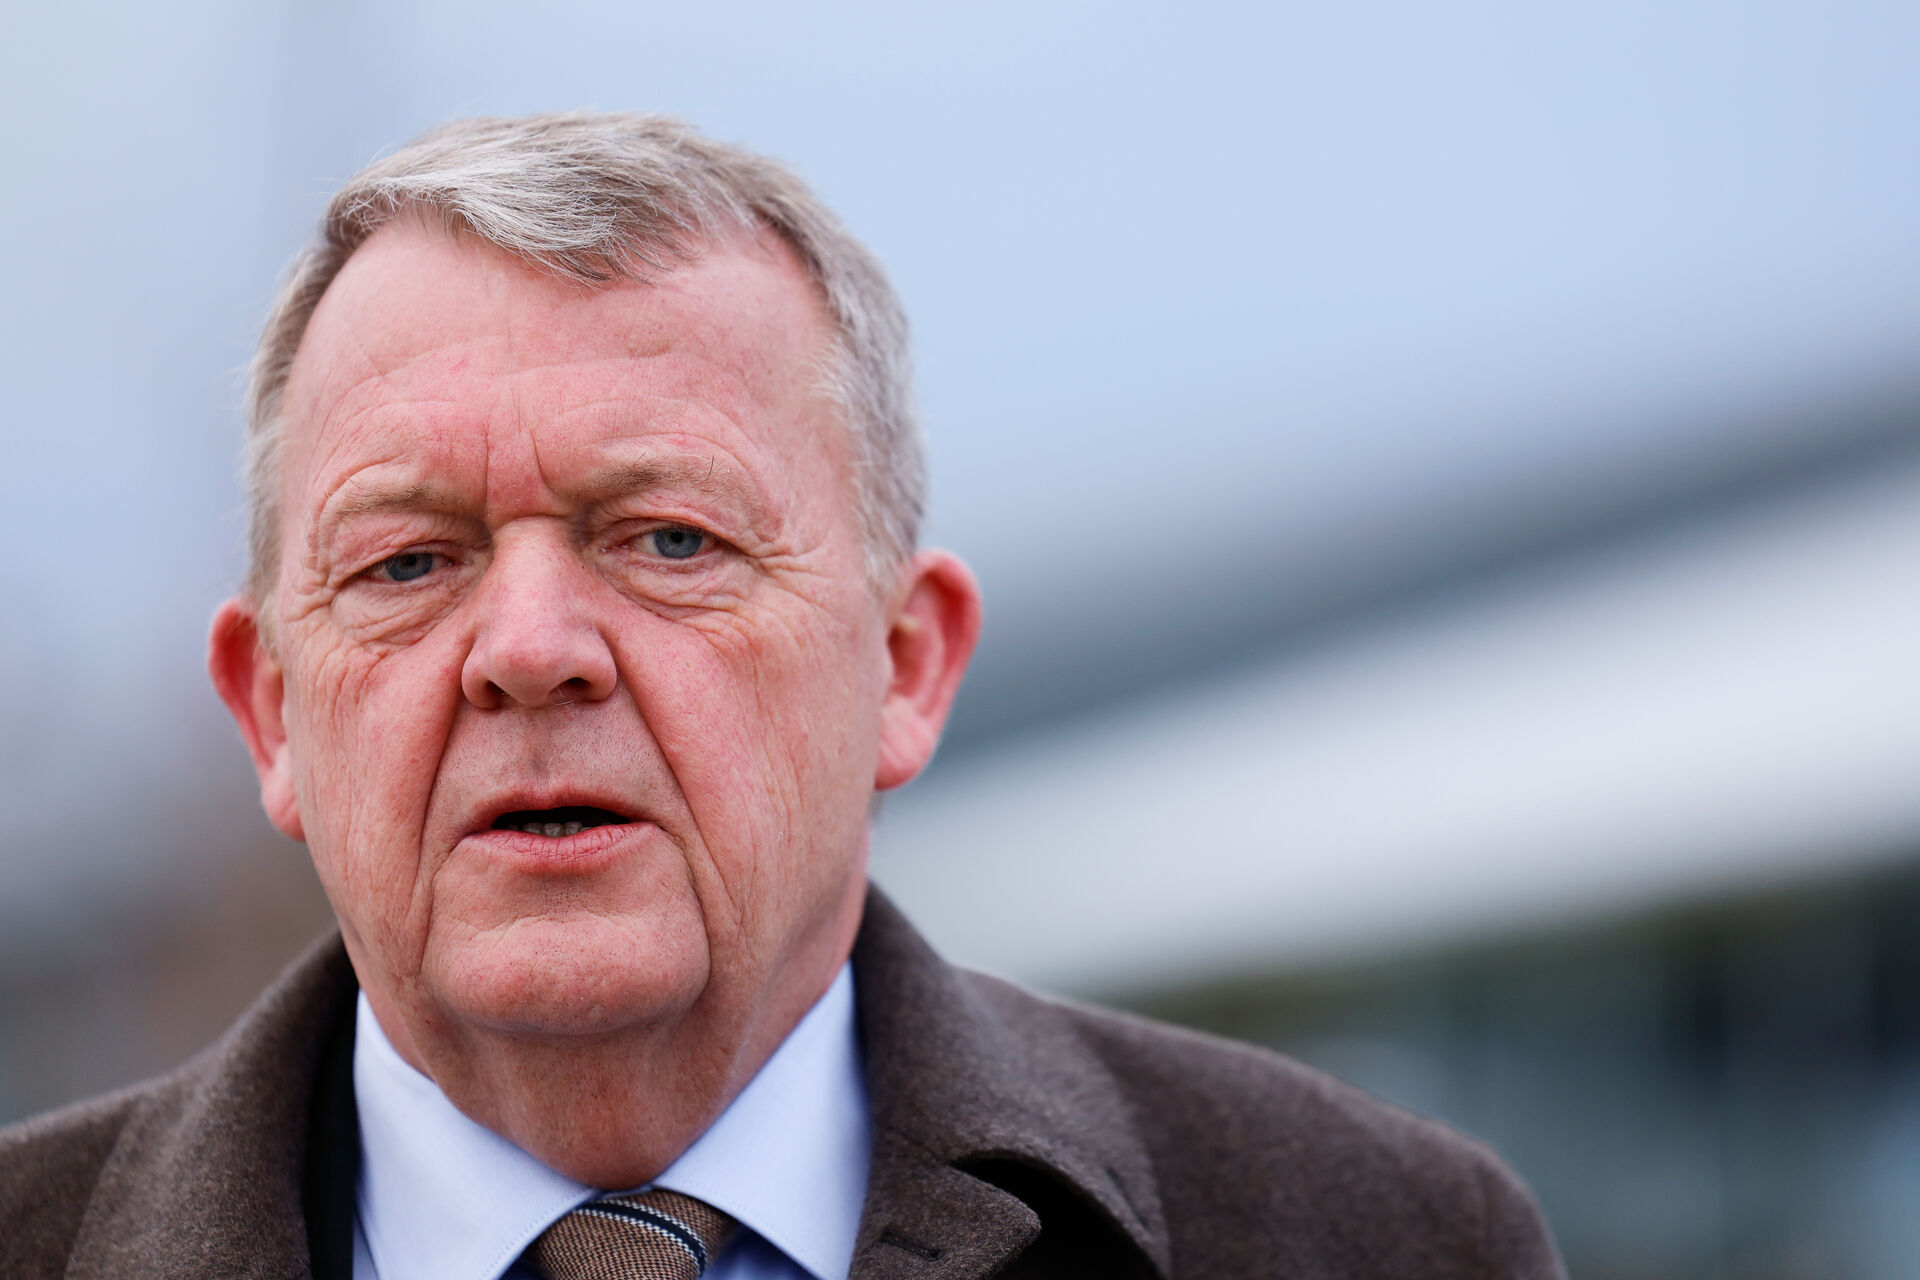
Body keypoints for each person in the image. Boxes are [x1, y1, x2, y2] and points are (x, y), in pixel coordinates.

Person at [0, 112, 1563, 1279]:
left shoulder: (1384, 1238)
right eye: (409, 563)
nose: (530, 647)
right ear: (272, 713)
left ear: (905, 665)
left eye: (670, 539)